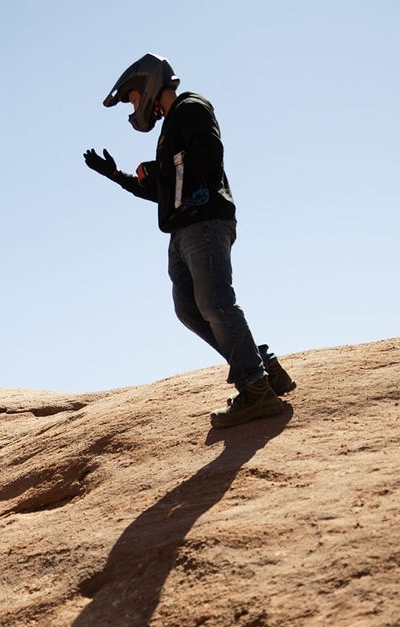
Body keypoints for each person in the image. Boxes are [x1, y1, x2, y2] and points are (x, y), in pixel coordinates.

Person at [83, 53, 295, 429]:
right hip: (182, 230)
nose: (135, 106)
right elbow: (166, 190)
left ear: (149, 85)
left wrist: (158, 168)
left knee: (215, 302)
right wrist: (116, 175)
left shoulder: (192, 107)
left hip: (206, 221)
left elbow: (208, 155)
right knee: (190, 308)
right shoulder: (168, 135)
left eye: (133, 98)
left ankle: (256, 390)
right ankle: (265, 368)